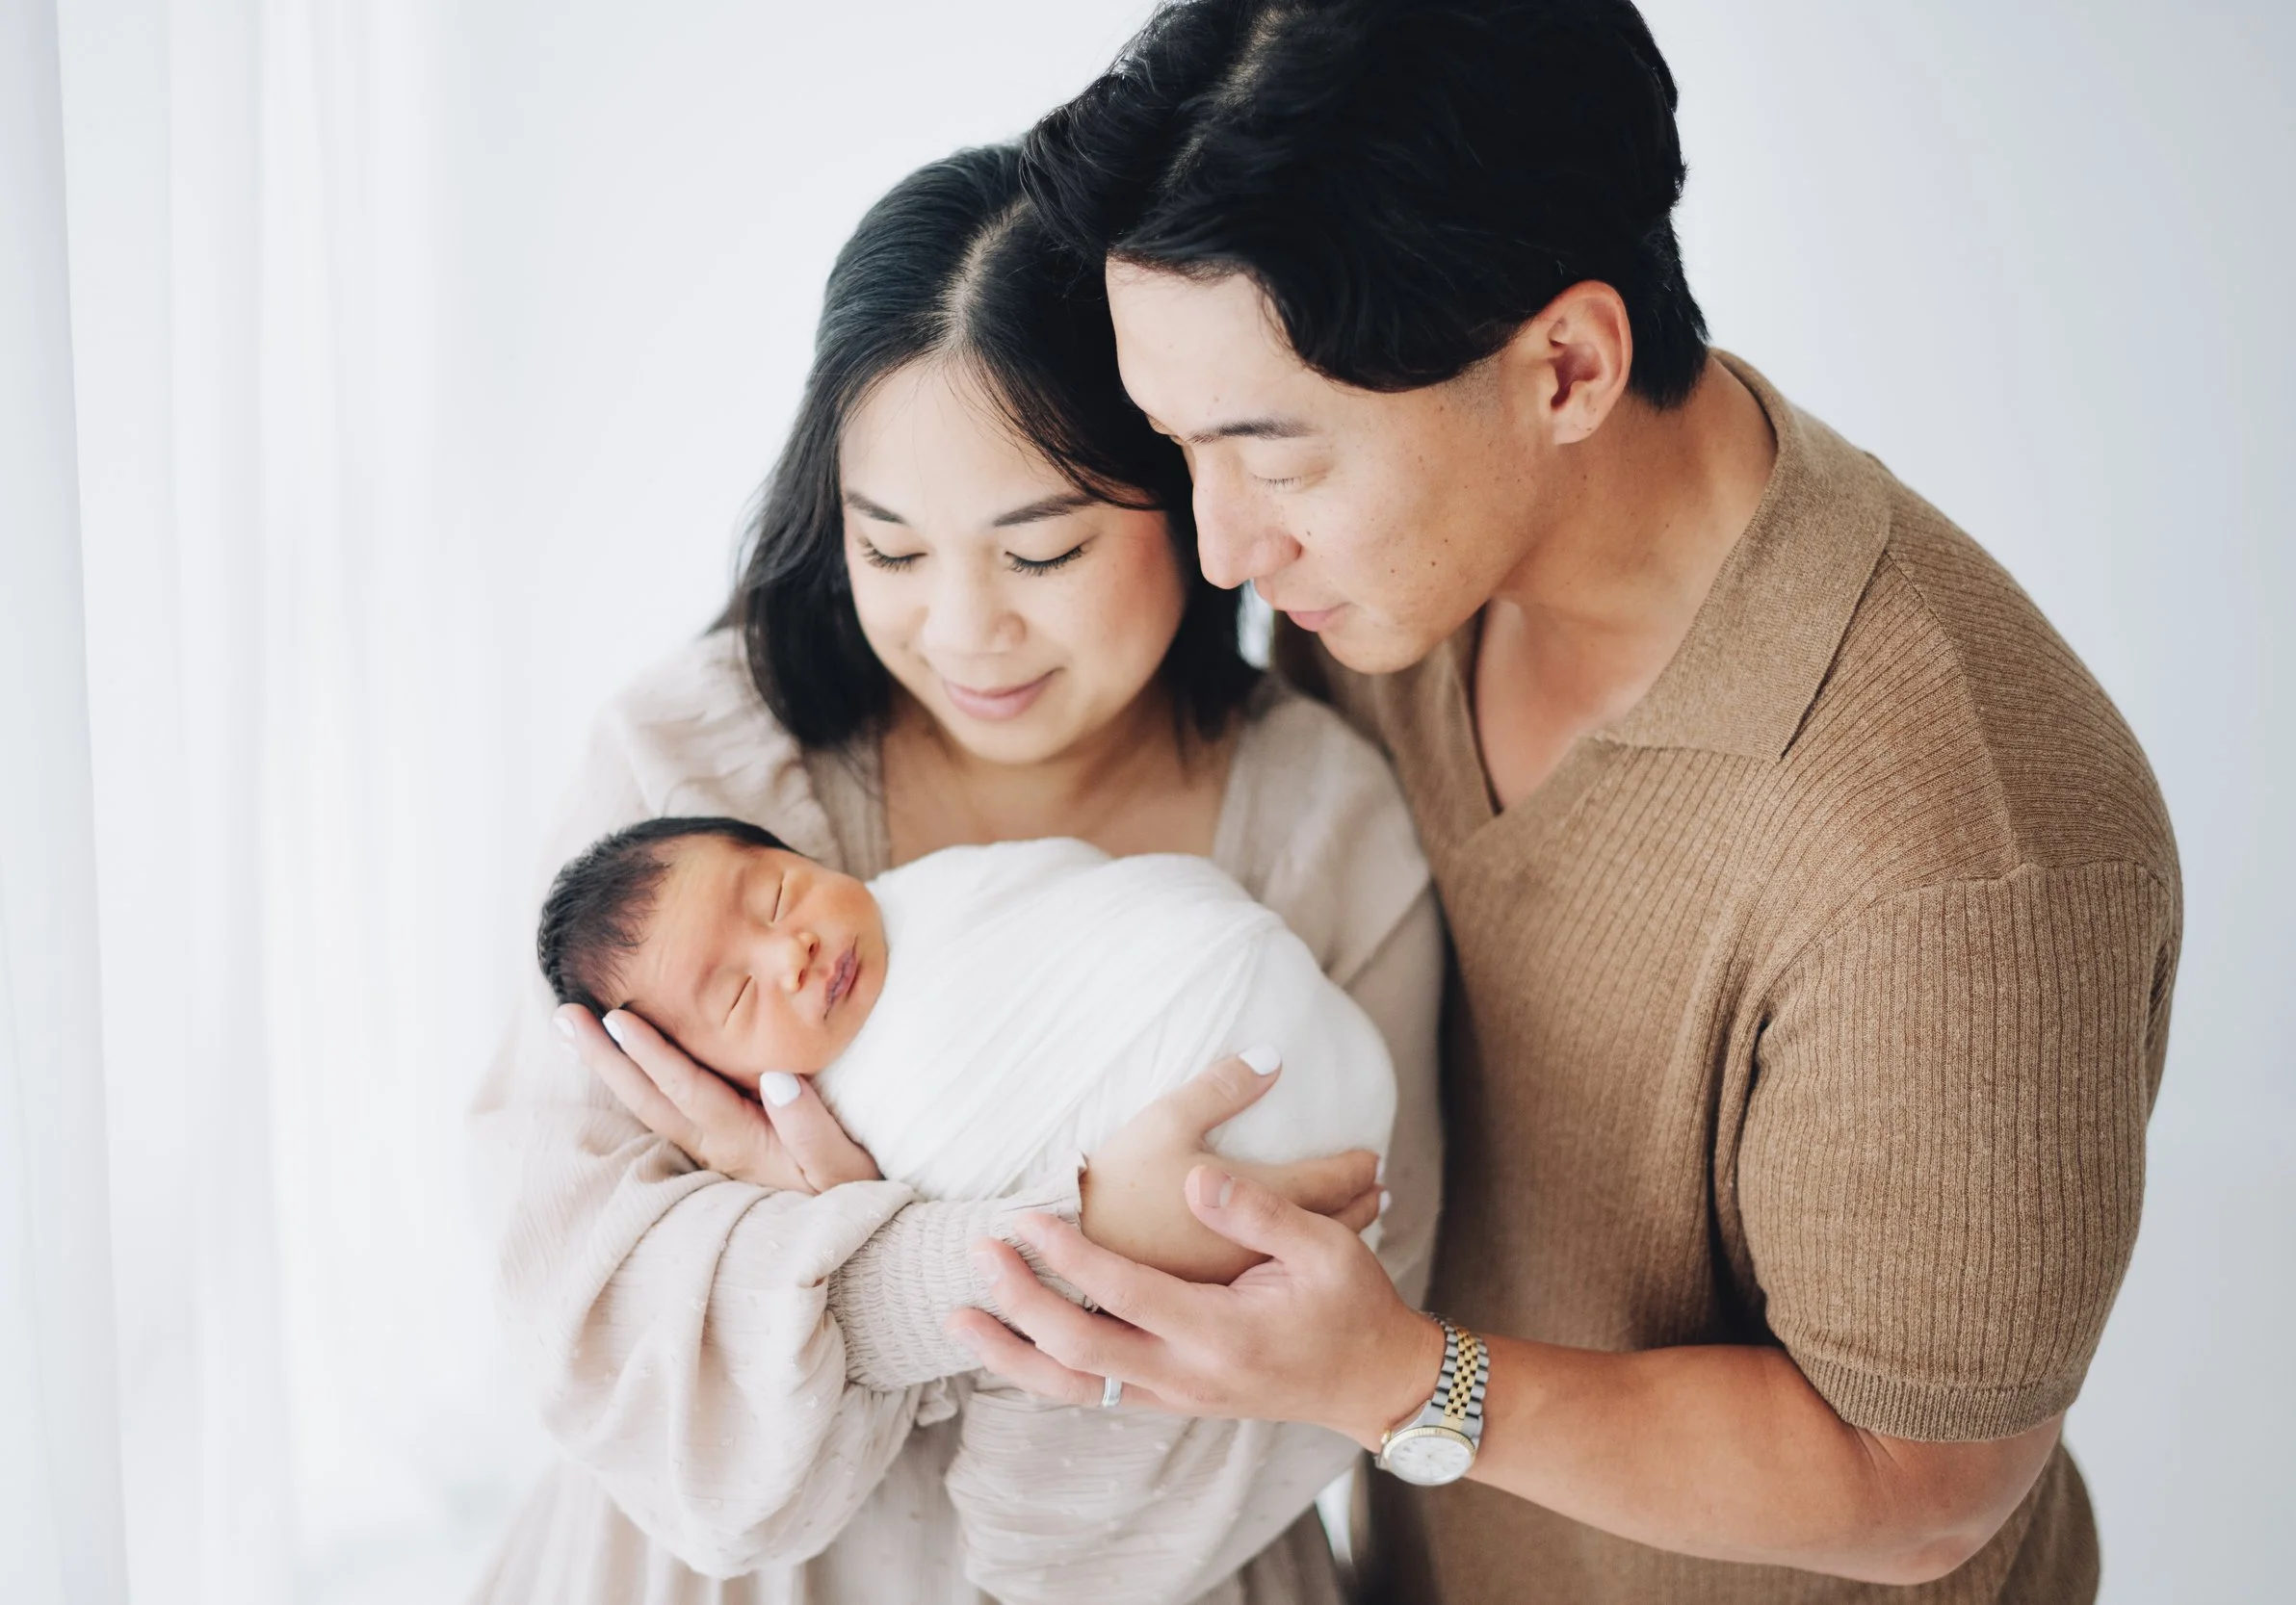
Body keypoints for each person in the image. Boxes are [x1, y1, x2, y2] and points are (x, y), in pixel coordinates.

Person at [948, 4, 2183, 1603]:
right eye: (1184, 446)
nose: (1226, 548)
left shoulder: (1967, 839)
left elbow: (1920, 1489)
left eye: (1280, 459)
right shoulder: (1383, 597)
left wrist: (1392, 1378)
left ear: (1567, 368)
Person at [466, 142, 1445, 1605]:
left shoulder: (1321, 825)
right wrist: (1015, 1265)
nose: (964, 628)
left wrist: (814, 1239)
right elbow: (580, 1291)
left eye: (1039, 551)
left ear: (1184, 497)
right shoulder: (689, 778)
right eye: (892, 547)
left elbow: (1317, 1358)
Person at [532, 815, 1395, 1284]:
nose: (789, 951)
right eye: (738, 994)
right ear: (719, 1084)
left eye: (778, 893)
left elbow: (1077, 879)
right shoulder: (842, 1129)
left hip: (1260, 997)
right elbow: (958, 1221)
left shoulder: (943, 888)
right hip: (1225, 1185)